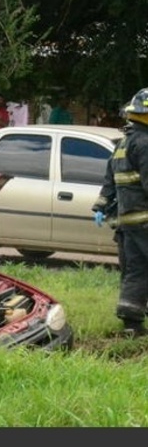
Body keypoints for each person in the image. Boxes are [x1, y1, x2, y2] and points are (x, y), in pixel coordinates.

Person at [91, 87, 148, 338]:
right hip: (144, 220)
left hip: (125, 223)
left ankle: (133, 322)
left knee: (134, 269)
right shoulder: (145, 143)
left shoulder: (123, 143)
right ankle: (133, 323)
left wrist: (100, 206)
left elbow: (109, 182)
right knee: (139, 269)